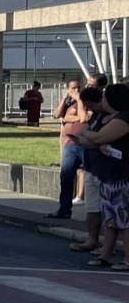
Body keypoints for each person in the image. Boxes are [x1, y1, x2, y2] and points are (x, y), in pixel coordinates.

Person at [76, 85, 129, 268]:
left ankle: (127, 259)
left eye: (105, 97)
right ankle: (105, 254)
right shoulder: (107, 117)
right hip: (109, 175)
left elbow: (98, 138)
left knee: (125, 220)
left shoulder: (124, 118)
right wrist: (93, 139)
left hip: (123, 176)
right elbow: (90, 140)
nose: (103, 100)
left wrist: (89, 134)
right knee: (110, 219)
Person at [49, 79, 88, 219]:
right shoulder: (68, 102)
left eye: (78, 88)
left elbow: (84, 118)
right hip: (70, 143)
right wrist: (65, 98)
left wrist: (71, 116)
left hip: (84, 143)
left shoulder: (84, 101)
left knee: (91, 173)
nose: (76, 91)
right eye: (73, 88)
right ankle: (64, 208)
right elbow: (58, 115)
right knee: (66, 175)